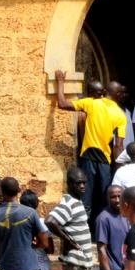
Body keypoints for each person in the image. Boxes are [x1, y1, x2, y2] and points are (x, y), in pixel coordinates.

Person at [55, 69, 127, 222]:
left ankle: (84, 229)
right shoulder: (121, 115)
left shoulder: (92, 103)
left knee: (85, 199)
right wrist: (119, 168)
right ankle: (102, 230)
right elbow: (118, 146)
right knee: (104, 200)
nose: (123, 96)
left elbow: (62, 103)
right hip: (105, 162)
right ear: (117, 94)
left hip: (88, 158)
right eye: (121, 93)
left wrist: (60, 81)